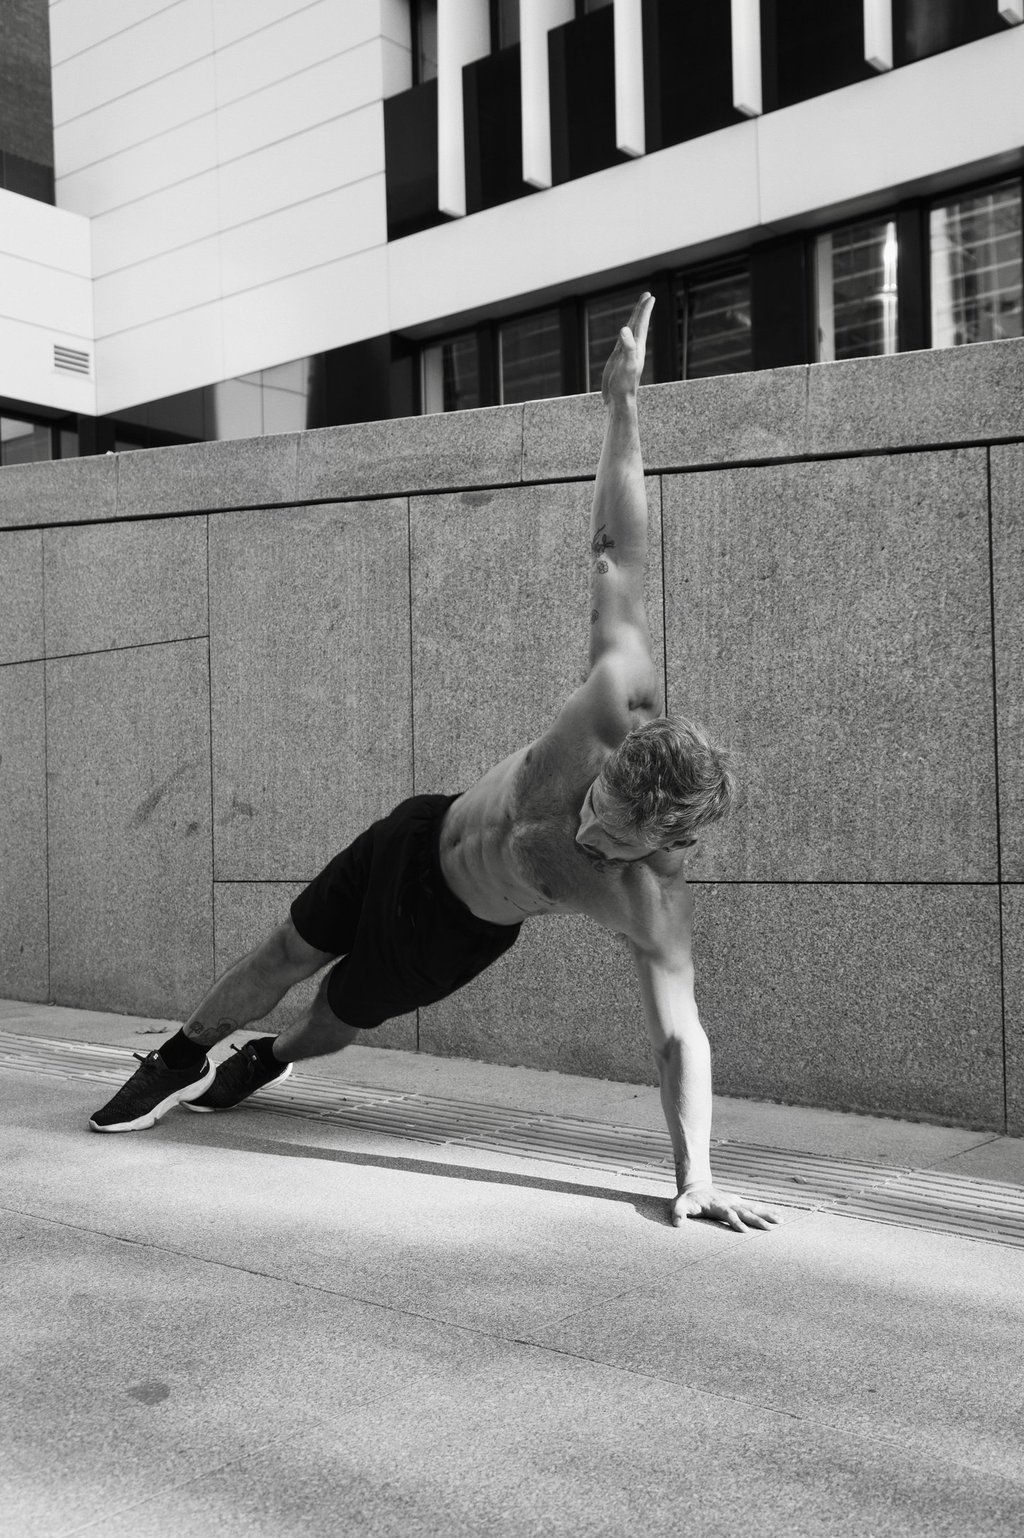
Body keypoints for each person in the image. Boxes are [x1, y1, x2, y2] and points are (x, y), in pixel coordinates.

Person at [90, 293, 778, 1234]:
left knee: (335, 1015)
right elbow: (620, 550)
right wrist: (623, 407)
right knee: (284, 949)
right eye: (600, 800)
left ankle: (273, 1057)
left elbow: (678, 1034)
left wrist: (694, 1175)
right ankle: (180, 1053)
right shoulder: (616, 697)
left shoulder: (649, 902)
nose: (591, 825)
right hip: (420, 834)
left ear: (671, 839)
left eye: (616, 835)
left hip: (453, 931)